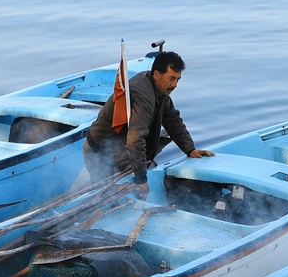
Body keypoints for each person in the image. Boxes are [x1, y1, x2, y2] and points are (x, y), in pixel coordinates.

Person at [82, 50, 214, 187]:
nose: (175, 85)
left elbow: (173, 121)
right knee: (108, 196)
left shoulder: (160, 90)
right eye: (171, 79)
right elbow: (135, 139)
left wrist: (190, 149)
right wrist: (141, 180)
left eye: (177, 79)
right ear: (157, 75)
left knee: (146, 172)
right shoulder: (142, 95)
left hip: (121, 147)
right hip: (100, 150)